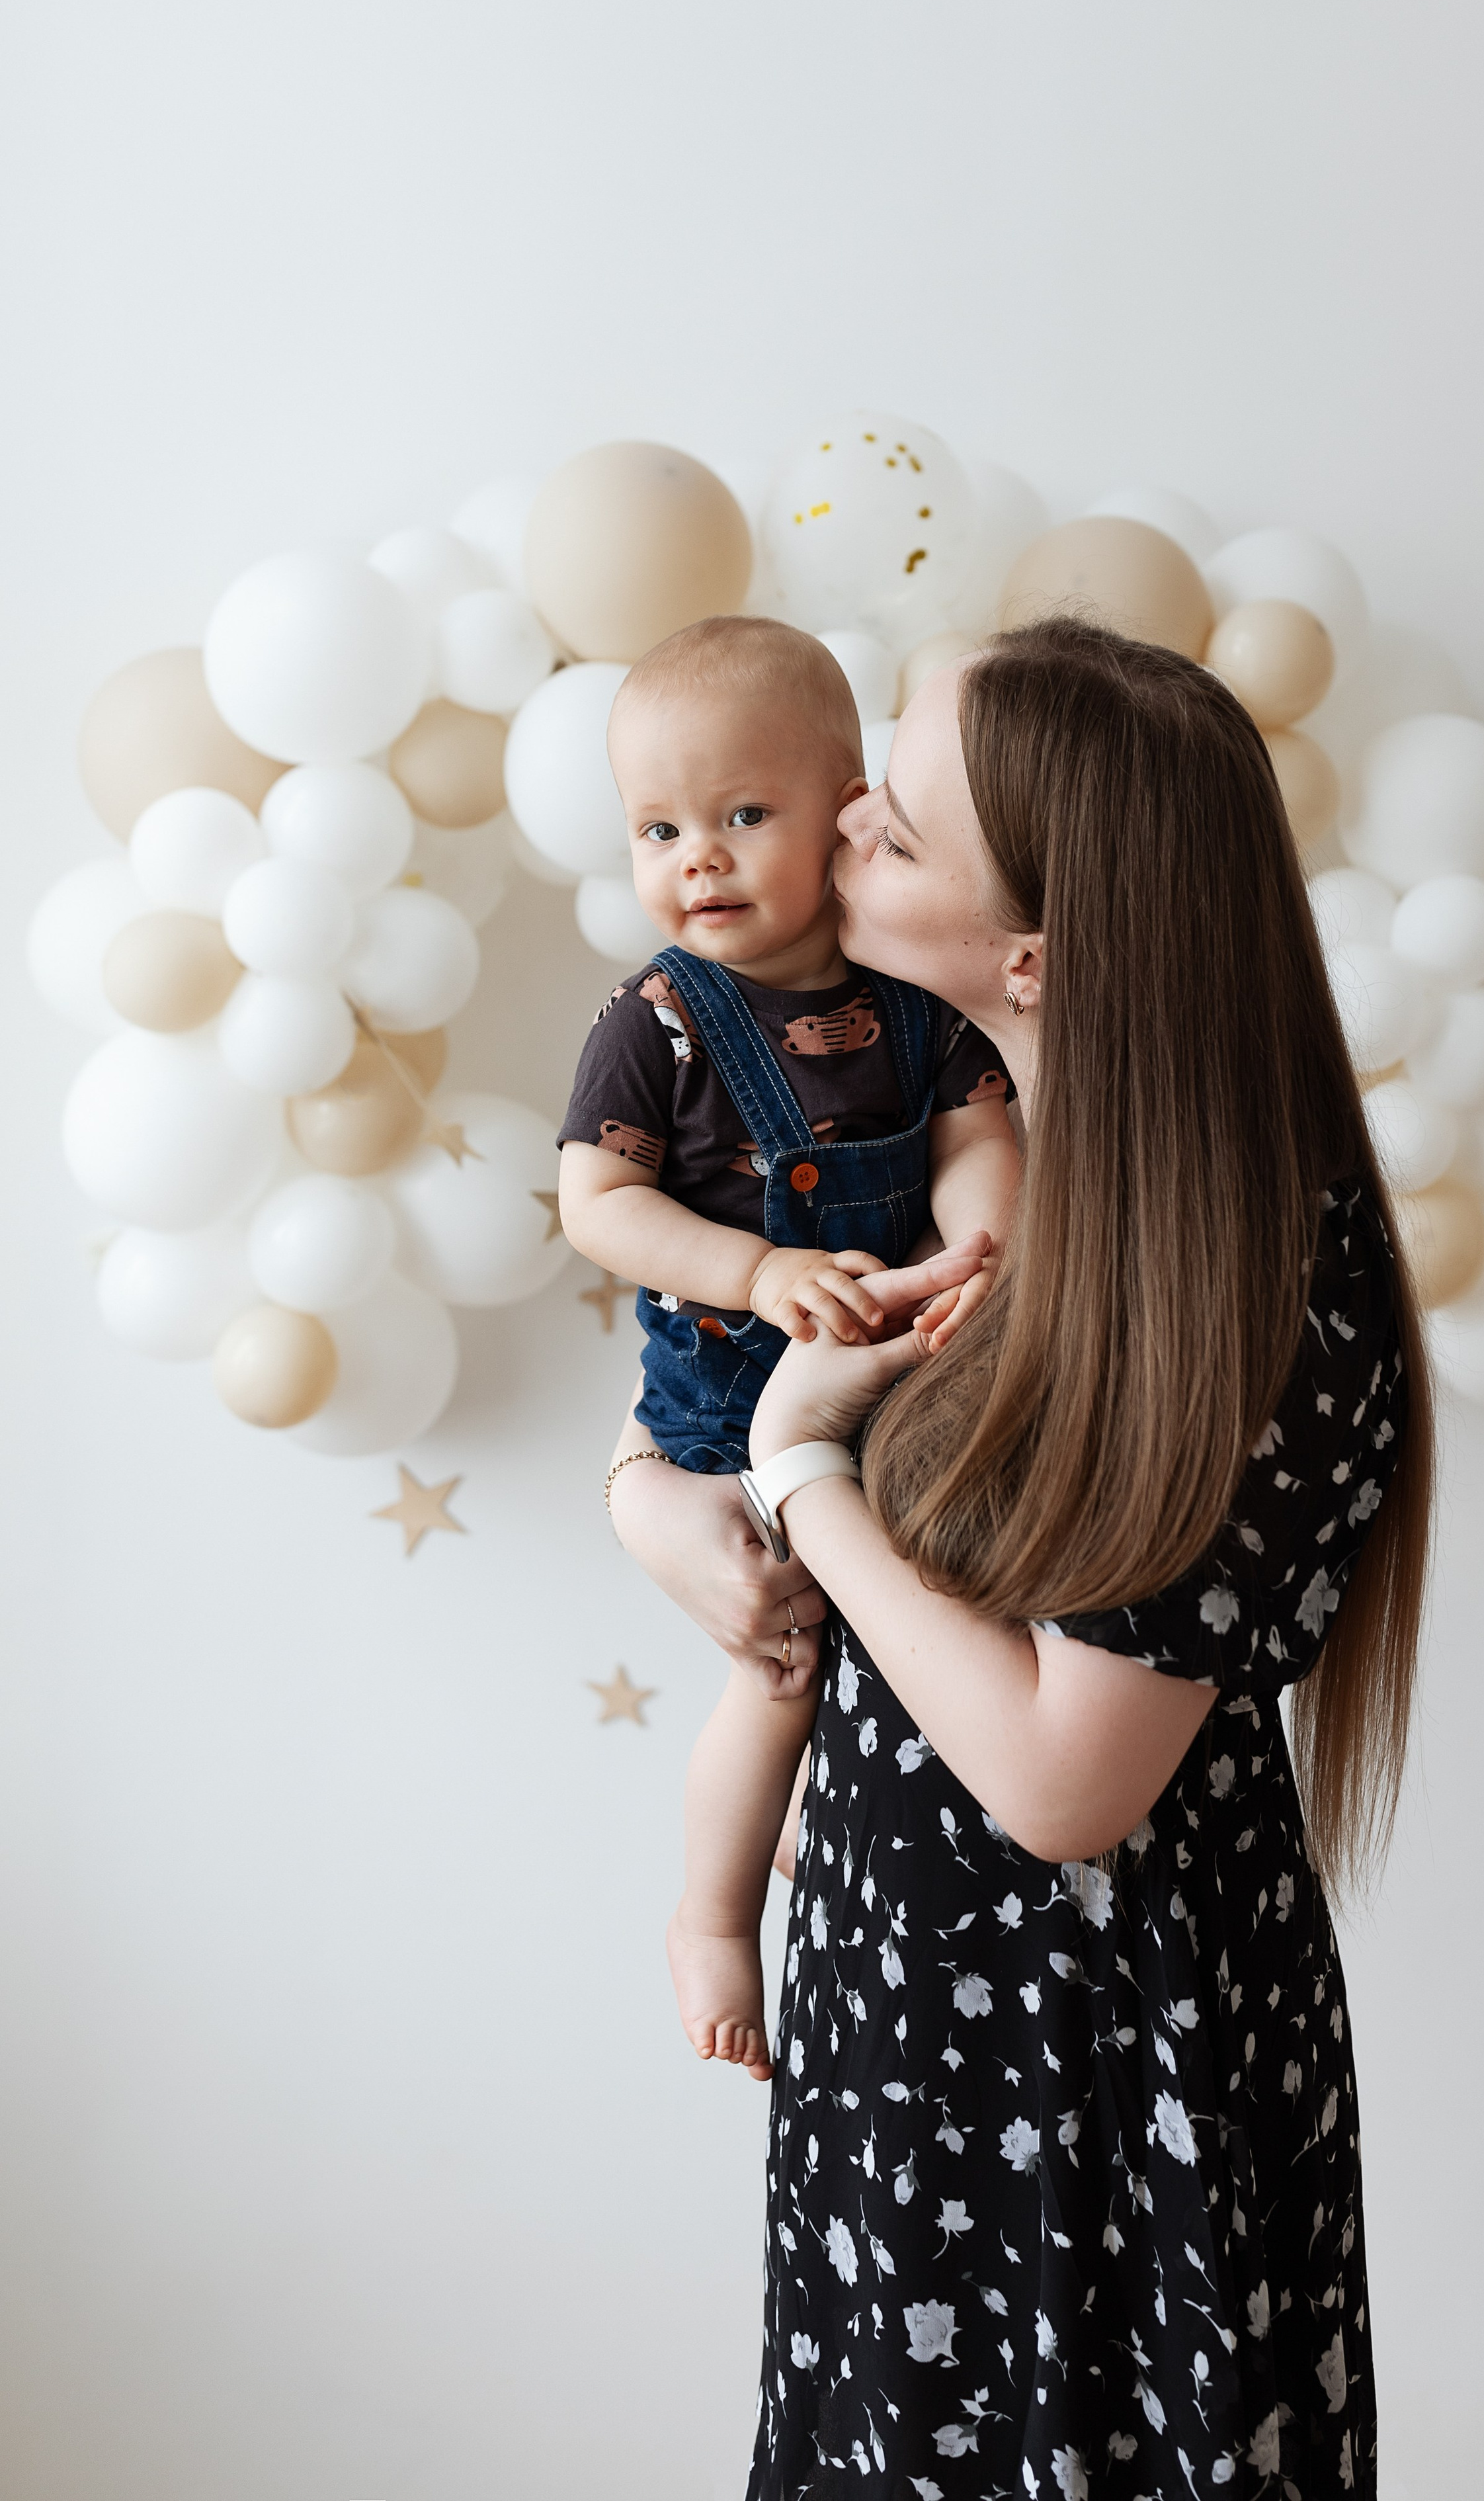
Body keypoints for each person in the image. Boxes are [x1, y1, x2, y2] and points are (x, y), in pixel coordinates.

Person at [607, 617, 1434, 2496]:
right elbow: (734, 1403)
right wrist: (660, 1502)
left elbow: (1070, 1778)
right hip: (913, 2032)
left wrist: (807, 1481)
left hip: (1094, 2075)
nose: (842, 830)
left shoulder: (1252, 1276)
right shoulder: (982, 1155)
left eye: (895, 828)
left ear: (1037, 953)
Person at [558, 615, 1020, 2078]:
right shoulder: (657, 1022)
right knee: (777, 1666)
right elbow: (600, 1202)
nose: (696, 858)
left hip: (897, 1386)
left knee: (914, 1639)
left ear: (847, 813)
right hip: (727, 1405)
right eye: (657, 827)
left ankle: (854, 1853)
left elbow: (977, 1136)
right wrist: (753, 1269)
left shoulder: (911, 1004)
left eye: (741, 816)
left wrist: (973, 1261)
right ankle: (709, 1920)